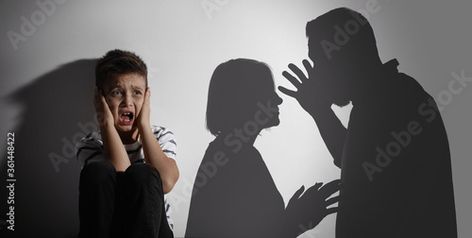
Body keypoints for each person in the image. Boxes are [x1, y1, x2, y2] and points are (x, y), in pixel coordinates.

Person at [280, 8, 457, 238]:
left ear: (343, 55)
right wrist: (320, 111)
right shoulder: (380, 99)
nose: (316, 73)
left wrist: (321, 111)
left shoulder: (397, 98)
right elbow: (362, 165)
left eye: (319, 62)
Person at [185, 58, 340, 238]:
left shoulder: (229, 153)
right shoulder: (238, 157)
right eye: (268, 92)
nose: (278, 99)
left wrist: (293, 220)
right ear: (244, 99)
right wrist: (295, 220)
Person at [75, 49, 179, 238]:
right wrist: (105, 122)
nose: (128, 102)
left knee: (144, 173)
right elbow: (122, 184)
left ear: (147, 97)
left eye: (137, 93)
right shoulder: (90, 143)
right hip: (110, 231)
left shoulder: (161, 135)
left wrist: (145, 126)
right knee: (97, 170)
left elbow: (166, 182)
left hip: (154, 232)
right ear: (101, 98)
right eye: (117, 92)